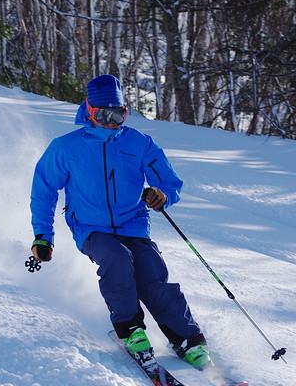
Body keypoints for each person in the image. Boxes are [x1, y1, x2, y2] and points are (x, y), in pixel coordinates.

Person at [30, 74, 211, 369]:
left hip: (134, 224)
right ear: (88, 111)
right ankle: (131, 330)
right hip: (91, 228)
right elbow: (44, 190)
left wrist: (162, 194)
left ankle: (187, 338)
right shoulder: (66, 147)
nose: (112, 122)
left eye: (119, 114)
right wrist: (42, 235)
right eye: (104, 114)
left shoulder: (139, 143)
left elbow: (169, 182)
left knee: (152, 274)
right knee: (116, 260)